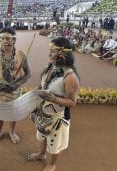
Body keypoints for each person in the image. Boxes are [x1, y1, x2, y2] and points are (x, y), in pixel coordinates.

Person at [28, 37, 80, 171]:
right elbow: (41, 85)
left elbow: (72, 102)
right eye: (49, 50)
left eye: (52, 51)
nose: (49, 54)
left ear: (63, 54)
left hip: (58, 116)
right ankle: (41, 154)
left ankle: (52, 164)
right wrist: (33, 98)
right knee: (43, 135)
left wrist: (54, 99)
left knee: (54, 141)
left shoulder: (70, 77)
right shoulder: (49, 67)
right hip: (43, 110)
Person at [0, 27, 31, 144]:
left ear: (14, 40)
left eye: (8, 38)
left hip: (14, 90)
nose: (5, 41)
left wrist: (16, 85)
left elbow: (28, 73)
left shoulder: (22, 55)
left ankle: (12, 131)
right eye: (2, 38)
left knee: (13, 111)